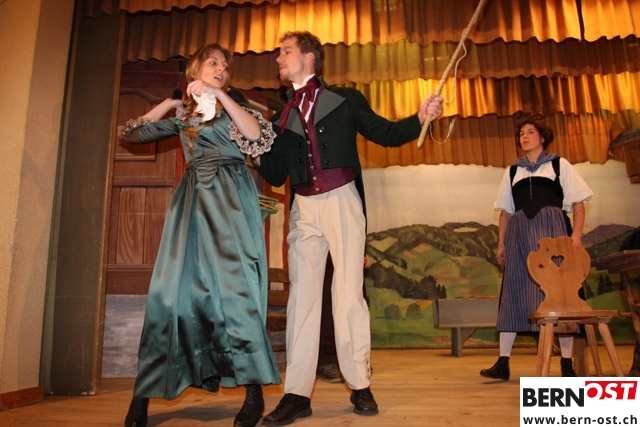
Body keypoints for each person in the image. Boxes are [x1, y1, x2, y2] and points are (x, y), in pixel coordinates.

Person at [252, 31, 443, 425]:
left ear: (309, 57)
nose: (278, 59)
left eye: (285, 52)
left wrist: (420, 117)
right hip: (304, 207)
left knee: (348, 295)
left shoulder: (345, 100)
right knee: (302, 300)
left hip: (342, 199)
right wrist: (253, 145)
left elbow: (386, 134)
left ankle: (359, 384)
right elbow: (274, 173)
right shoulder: (280, 117)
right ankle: (296, 394)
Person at [118, 43, 281, 427]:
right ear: (195, 71)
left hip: (231, 202)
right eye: (213, 63)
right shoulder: (185, 117)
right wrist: (171, 103)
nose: (221, 68)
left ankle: (253, 391)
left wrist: (221, 94)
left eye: (225, 66)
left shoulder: (234, 107)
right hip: (191, 206)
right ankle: (143, 394)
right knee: (171, 296)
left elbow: (256, 135)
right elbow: (131, 133)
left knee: (237, 293)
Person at [480, 119, 593, 381]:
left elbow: (578, 203)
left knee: (561, 295)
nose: (525, 136)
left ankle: (567, 365)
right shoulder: (513, 171)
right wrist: (501, 243)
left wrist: (576, 236)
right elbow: (506, 213)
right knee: (514, 291)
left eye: (530, 132)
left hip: (552, 233)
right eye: (521, 133)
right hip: (519, 236)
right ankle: (503, 362)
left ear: (542, 137)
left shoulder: (558, 165)